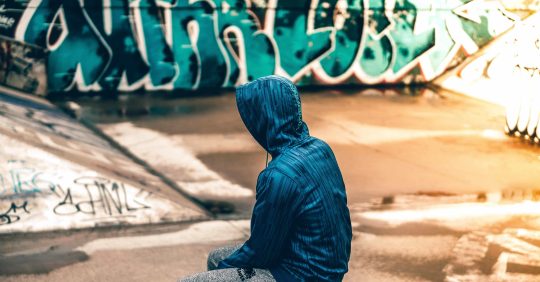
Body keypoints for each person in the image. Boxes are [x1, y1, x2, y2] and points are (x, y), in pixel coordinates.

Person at [181, 75, 352, 281]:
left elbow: (262, 250)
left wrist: (222, 272)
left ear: (264, 118)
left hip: (303, 275)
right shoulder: (320, 147)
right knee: (216, 258)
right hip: (328, 265)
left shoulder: (279, 175)